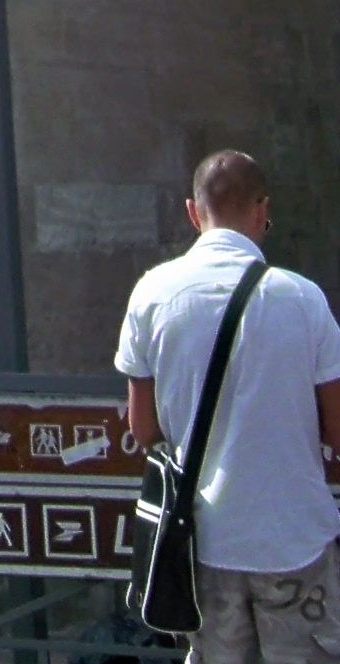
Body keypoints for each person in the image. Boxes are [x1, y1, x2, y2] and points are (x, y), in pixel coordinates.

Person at [119, 149, 340, 664]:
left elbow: (143, 426)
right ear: (262, 211)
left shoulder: (151, 294)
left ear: (193, 213)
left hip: (203, 544)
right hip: (294, 540)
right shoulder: (304, 300)